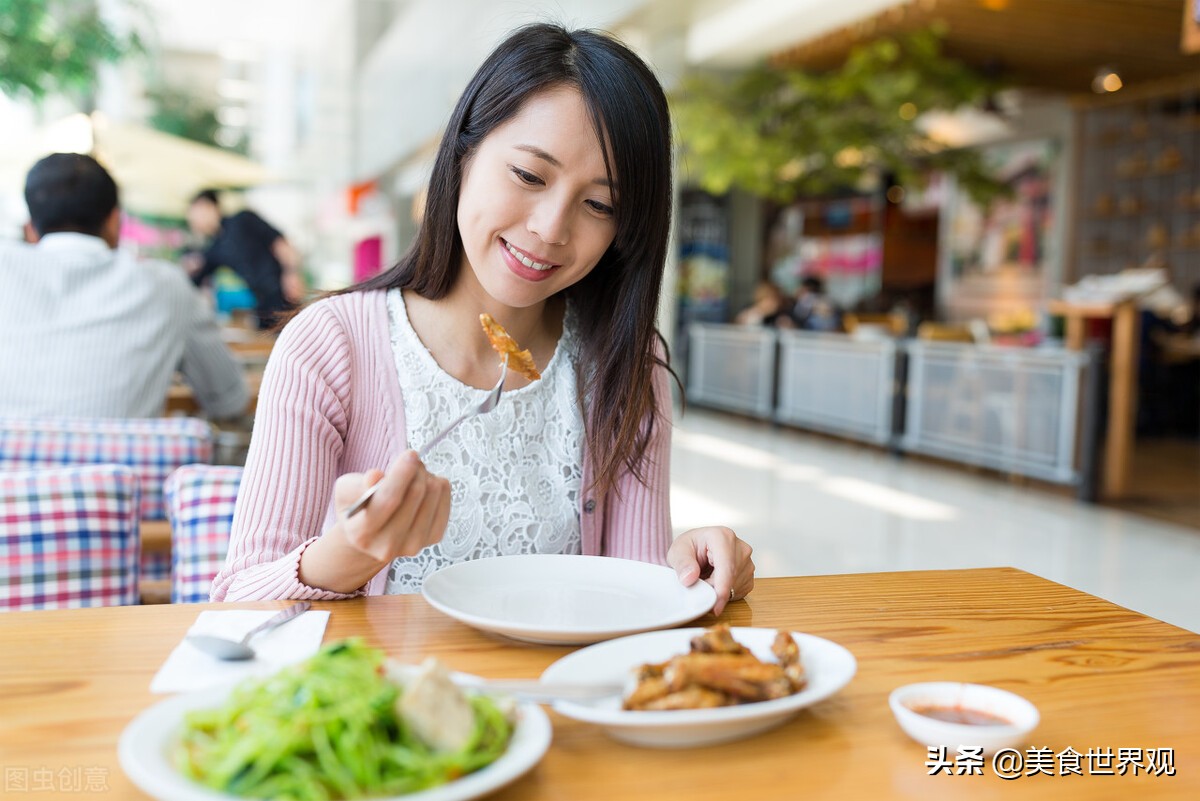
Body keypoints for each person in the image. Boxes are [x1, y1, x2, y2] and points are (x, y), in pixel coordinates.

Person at [211, 23, 754, 611]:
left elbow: (631, 598)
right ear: (464, 151)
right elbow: (238, 600)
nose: (550, 228)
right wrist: (354, 550)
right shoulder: (330, 345)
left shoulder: (626, 367)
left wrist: (689, 568)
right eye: (528, 175)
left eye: (599, 204)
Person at [0, 153, 248, 420]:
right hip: (120, 461)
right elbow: (229, 400)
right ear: (114, 220)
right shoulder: (166, 286)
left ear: (30, 229)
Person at [185, 189, 305, 330]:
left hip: (282, 292)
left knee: (294, 335)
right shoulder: (215, 248)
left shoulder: (243, 220)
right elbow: (197, 279)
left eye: (196, 215)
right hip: (261, 302)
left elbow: (280, 243)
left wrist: (292, 273)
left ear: (209, 207)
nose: (194, 222)